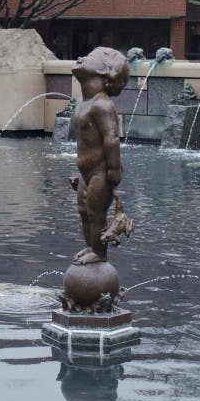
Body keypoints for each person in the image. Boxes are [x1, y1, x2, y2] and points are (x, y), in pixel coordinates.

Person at [70, 47, 130, 265]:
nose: (81, 58)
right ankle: (91, 246)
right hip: (86, 173)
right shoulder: (84, 103)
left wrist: (114, 169)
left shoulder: (101, 104)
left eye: (88, 57)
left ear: (105, 71)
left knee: (96, 213)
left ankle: (100, 253)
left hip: (101, 173)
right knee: (84, 211)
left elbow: (112, 138)